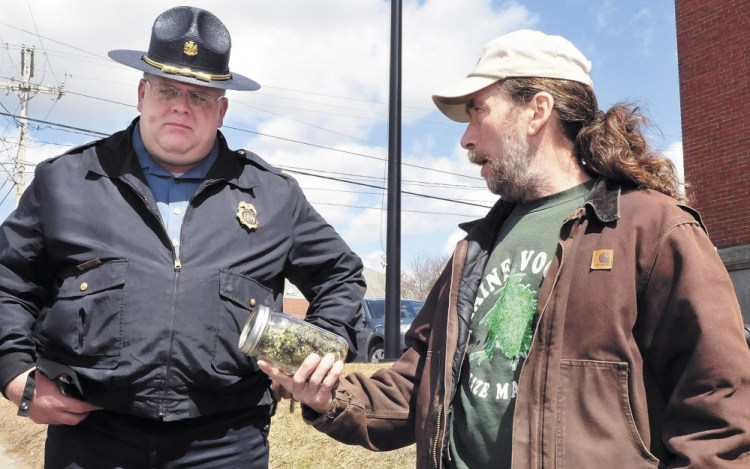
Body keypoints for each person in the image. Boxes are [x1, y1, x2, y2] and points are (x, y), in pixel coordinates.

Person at [259, 29, 750, 468]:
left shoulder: (653, 229)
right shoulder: (473, 249)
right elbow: (417, 388)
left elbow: (720, 408)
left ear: (537, 110)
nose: (466, 139)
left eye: (479, 111)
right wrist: (327, 395)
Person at [0, 6, 365, 468]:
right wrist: (15, 373)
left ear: (222, 109)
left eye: (199, 96)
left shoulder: (274, 197)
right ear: (140, 93)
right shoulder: (66, 182)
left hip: (227, 442)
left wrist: (319, 349)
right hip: (91, 436)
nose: (180, 106)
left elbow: (342, 275)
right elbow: (8, 281)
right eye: (167, 90)